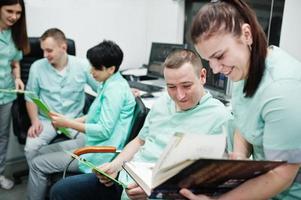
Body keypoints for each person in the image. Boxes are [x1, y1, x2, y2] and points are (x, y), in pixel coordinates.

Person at [50, 48, 232, 200]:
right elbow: (139, 141)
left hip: (161, 192)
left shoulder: (219, 117)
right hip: (126, 179)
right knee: (61, 190)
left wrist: (157, 191)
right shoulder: (162, 103)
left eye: (186, 85)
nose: (179, 95)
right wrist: (117, 164)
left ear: (202, 76)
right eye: (171, 87)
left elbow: (215, 179)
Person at [180, 0, 301, 199]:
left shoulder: (282, 89)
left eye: (219, 56)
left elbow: (281, 176)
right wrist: (239, 158)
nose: (216, 69)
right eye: (208, 60)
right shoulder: (243, 71)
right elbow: (243, 123)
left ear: (246, 35)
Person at [25, 39, 136, 200]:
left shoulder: (115, 90)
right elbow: (94, 116)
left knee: (36, 164)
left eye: (95, 68)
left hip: (98, 153)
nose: (91, 72)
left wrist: (68, 123)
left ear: (111, 69)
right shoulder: (109, 82)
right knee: (40, 151)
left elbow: (104, 130)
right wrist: (69, 121)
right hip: (91, 141)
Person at [0, 0, 29, 190]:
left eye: (18, 13)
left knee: (2, 136)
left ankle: (0, 172)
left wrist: (18, 78)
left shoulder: (14, 34)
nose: (14, 17)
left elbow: (14, 62)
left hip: (6, 95)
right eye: (9, 11)